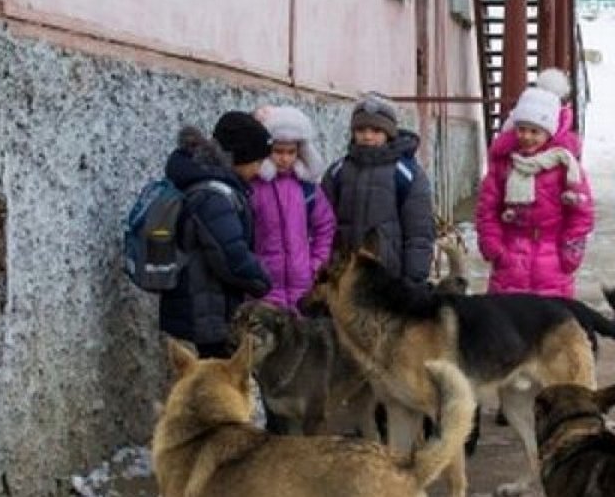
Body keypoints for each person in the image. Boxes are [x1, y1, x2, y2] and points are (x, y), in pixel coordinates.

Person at [159, 111, 274, 358]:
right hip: (205, 312)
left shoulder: (207, 184)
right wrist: (262, 280)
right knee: (214, 386)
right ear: (240, 158)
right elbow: (231, 256)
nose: (260, 169)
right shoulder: (214, 196)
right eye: (258, 161)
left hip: (199, 306)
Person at [476, 86, 595, 299]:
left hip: (553, 261)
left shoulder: (564, 165)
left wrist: (570, 251)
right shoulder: (504, 165)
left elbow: (582, 212)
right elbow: (487, 209)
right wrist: (494, 246)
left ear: (548, 133)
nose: (527, 137)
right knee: (508, 325)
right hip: (510, 259)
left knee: (552, 326)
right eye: (522, 129)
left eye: (535, 132)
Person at [322, 92, 435, 284]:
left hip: (387, 277)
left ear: (388, 133)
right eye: (361, 130)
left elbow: (418, 232)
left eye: (376, 131)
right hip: (343, 275)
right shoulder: (338, 171)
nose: (367, 136)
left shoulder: (406, 174)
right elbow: (323, 224)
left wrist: (414, 279)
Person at [250, 105, 337, 312]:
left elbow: (325, 226)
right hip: (263, 286)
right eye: (278, 151)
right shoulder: (254, 187)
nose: (285, 158)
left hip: (302, 286)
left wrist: (315, 264)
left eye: (291, 152)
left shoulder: (307, 189)